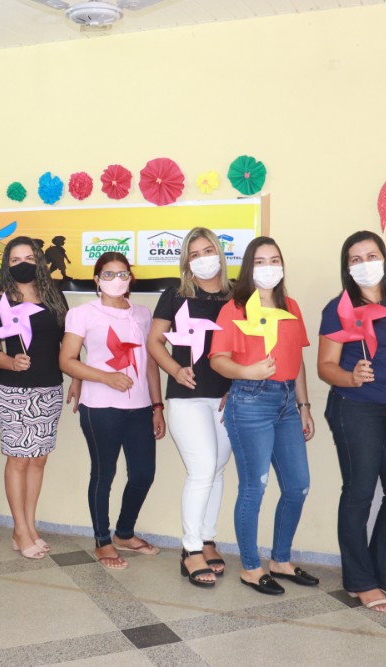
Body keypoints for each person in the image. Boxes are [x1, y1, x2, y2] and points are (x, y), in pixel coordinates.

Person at [317, 231, 386, 613]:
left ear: (384, 260)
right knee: (359, 492)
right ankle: (360, 580)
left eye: (371, 256)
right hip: (353, 407)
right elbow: (325, 366)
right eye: (355, 259)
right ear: (347, 268)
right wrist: (351, 377)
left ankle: (385, 574)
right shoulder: (337, 308)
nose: (364, 264)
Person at [209, 236, 317, 595]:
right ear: (248, 268)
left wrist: (304, 406)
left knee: (298, 485)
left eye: (274, 261)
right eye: (259, 262)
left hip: (287, 402)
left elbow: (297, 360)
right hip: (250, 401)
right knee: (254, 486)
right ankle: (250, 567)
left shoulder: (291, 306)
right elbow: (218, 359)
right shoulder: (235, 308)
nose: (268, 268)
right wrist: (248, 372)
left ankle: (280, 559)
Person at [59, 252, 166, 570]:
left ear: (130, 278)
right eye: (108, 274)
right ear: (97, 280)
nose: (116, 280)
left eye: (122, 274)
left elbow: (150, 364)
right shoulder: (81, 314)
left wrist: (157, 406)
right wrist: (105, 377)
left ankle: (124, 533)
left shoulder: (143, 314)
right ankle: (102, 541)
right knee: (104, 473)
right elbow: (67, 360)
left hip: (140, 408)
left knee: (144, 473)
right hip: (100, 408)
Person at [147, 227, 232, 587]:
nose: (202, 258)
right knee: (202, 469)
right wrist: (176, 370)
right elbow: (154, 342)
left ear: (220, 254)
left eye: (207, 250)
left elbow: (249, 344)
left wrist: (238, 386)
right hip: (188, 397)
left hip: (227, 397)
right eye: (194, 254)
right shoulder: (175, 294)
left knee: (218, 469)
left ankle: (207, 539)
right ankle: (191, 548)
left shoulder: (237, 295)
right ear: (186, 261)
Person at [0, 237, 72, 559]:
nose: (23, 264)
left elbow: (68, 341)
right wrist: (10, 362)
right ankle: (19, 530)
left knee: (38, 459)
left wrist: (76, 377)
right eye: (16, 259)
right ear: (7, 265)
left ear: (40, 261)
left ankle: (29, 526)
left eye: (29, 258)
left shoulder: (55, 296)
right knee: (19, 459)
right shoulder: (0, 303)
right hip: (14, 392)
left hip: (49, 389)